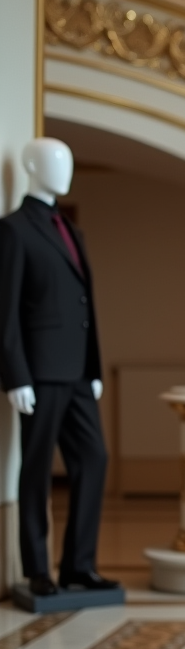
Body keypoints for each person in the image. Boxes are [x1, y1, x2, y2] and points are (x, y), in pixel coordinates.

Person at [0, 138, 116, 597]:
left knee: (94, 458)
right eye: (54, 161)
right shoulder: (13, 230)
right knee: (36, 469)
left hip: (78, 374)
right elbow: (5, 312)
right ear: (31, 166)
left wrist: (94, 368)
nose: (63, 170)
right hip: (40, 374)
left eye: (68, 161)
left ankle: (78, 566)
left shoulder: (71, 230)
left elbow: (85, 306)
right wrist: (16, 376)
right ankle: (37, 570)